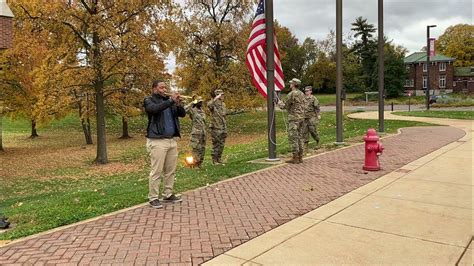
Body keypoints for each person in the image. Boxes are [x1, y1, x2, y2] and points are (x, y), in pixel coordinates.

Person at [144, 80, 186, 209]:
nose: (164, 90)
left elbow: (182, 114)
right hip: (157, 140)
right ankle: (153, 198)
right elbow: (154, 110)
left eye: (165, 87)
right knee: (156, 171)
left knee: (170, 170)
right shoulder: (149, 100)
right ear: (154, 89)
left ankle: (168, 194)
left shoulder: (170, 101)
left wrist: (178, 103)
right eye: (161, 88)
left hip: (171, 140)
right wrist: (170, 101)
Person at [278, 78, 306, 164]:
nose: (290, 84)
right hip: (301, 118)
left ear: (294, 84)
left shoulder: (291, 94)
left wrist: (279, 102)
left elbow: (284, 106)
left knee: (293, 138)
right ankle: (300, 157)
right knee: (300, 137)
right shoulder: (302, 94)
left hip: (294, 119)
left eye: (291, 83)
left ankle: (295, 157)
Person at [184, 96, 206, 168]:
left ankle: (199, 164)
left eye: (201, 102)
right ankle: (195, 164)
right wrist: (192, 102)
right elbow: (185, 109)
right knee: (196, 149)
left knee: (202, 149)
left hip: (203, 133)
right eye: (199, 102)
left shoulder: (202, 111)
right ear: (196, 103)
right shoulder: (193, 110)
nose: (201, 103)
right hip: (196, 133)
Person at [207, 89, 227, 165]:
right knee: (216, 144)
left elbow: (224, 116)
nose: (223, 96)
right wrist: (215, 98)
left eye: (223, 95)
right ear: (217, 95)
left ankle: (219, 158)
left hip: (223, 127)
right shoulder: (213, 103)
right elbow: (209, 105)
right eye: (221, 95)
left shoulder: (223, 104)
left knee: (222, 144)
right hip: (216, 127)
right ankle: (214, 160)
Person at [302, 86, 321, 152]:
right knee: (304, 131)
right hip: (304, 117)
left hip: (311, 117)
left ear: (310, 91)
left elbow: (317, 107)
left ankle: (318, 141)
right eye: (305, 91)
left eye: (307, 91)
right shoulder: (303, 98)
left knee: (312, 130)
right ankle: (305, 146)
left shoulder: (313, 98)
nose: (306, 92)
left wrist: (318, 115)